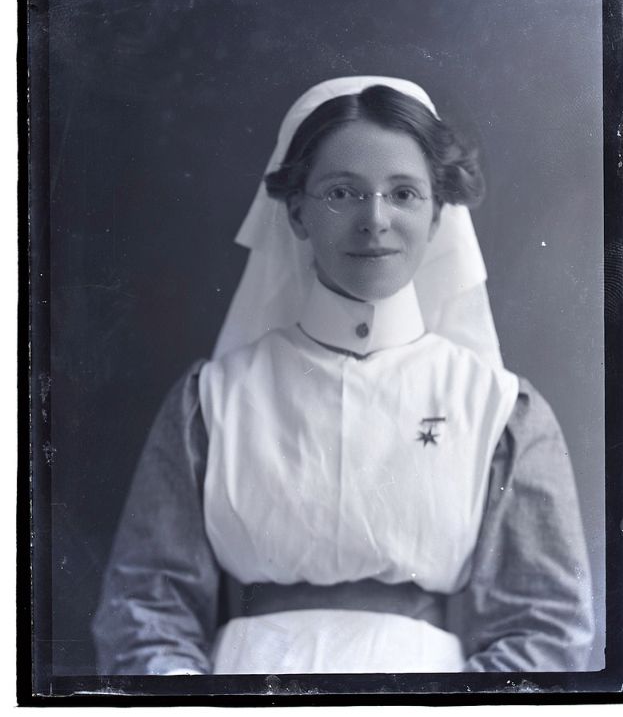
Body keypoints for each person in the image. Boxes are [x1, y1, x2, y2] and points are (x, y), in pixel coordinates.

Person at [93, 76, 595, 675]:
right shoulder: (211, 402)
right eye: (341, 193)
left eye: (404, 193)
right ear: (297, 212)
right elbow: (144, 609)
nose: (374, 219)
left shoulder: (499, 410)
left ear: (437, 214)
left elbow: (546, 630)